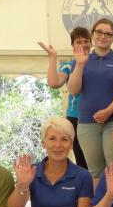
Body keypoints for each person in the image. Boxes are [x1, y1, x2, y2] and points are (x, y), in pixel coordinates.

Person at [67, 18, 113, 180]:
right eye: (99, 32)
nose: (103, 36)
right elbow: (73, 91)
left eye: (108, 34)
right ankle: (98, 198)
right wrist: (80, 65)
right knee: (95, 172)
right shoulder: (79, 60)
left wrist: (108, 111)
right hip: (87, 123)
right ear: (93, 34)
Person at [38, 27, 92, 169]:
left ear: (91, 43)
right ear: (72, 45)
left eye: (86, 41)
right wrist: (52, 57)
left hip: (97, 117)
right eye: (78, 42)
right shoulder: (68, 65)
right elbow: (54, 82)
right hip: (76, 116)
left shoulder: (99, 63)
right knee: (82, 160)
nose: (83, 44)